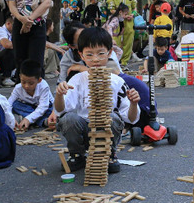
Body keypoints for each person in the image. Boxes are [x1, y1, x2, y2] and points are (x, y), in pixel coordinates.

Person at [54, 27, 140, 174]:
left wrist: (133, 103)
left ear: (110, 52)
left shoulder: (117, 82)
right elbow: (61, 110)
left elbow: (131, 119)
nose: (95, 59)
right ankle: (77, 154)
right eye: (89, 54)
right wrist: (59, 95)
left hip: (106, 131)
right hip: (84, 130)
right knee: (69, 118)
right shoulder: (77, 80)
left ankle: (109, 153)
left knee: (113, 117)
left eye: (101, 53)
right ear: (81, 55)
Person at [8, 60, 53, 131]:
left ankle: (27, 119)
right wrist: (10, 119)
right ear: (20, 77)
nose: (26, 86)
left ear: (39, 80)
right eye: (23, 82)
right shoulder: (18, 88)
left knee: (53, 109)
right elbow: (8, 104)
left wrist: (28, 119)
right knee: (15, 105)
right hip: (28, 107)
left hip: (46, 108)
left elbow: (43, 107)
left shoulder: (44, 86)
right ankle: (42, 121)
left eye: (31, 83)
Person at [107, 0, 136, 65]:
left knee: (128, 41)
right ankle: (115, 62)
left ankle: (124, 62)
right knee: (116, 41)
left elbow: (134, 8)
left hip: (129, 23)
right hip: (117, 22)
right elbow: (111, 9)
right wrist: (121, 15)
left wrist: (132, 15)